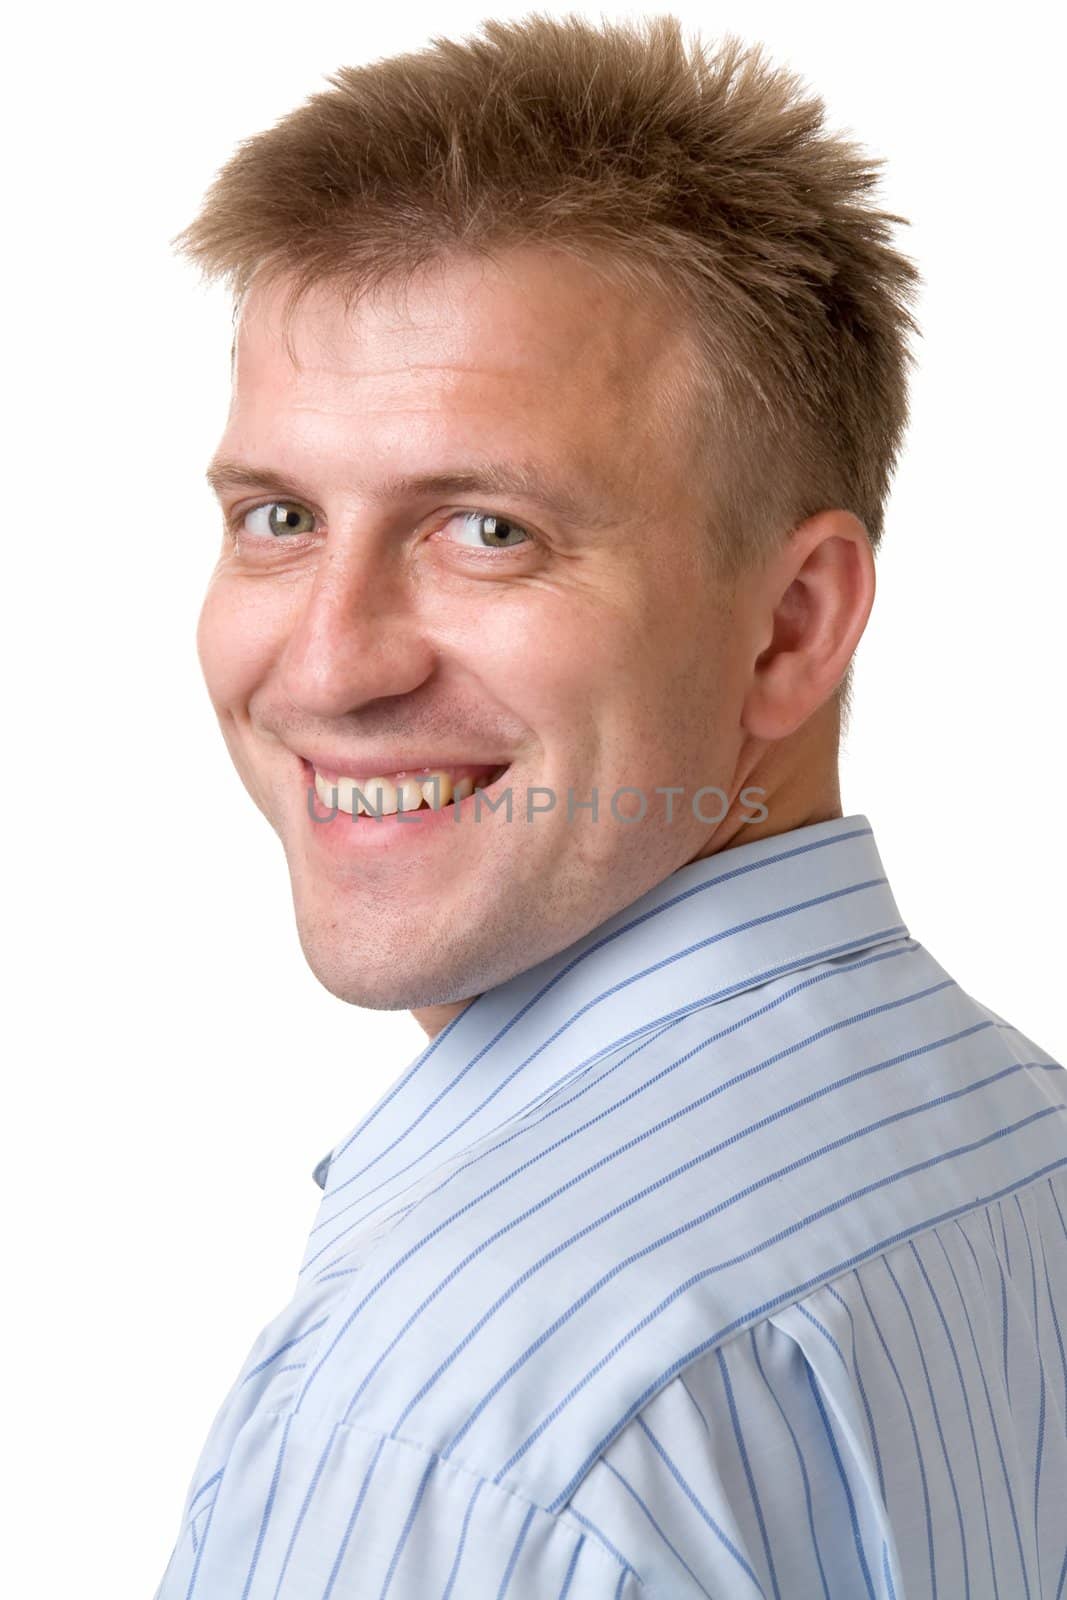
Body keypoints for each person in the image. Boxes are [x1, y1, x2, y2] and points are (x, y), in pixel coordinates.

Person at [155, 13, 1066, 1597]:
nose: (325, 662)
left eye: (488, 529)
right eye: (280, 516)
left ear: (790, 626)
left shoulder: (455, 1420)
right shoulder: (1019, 1148)